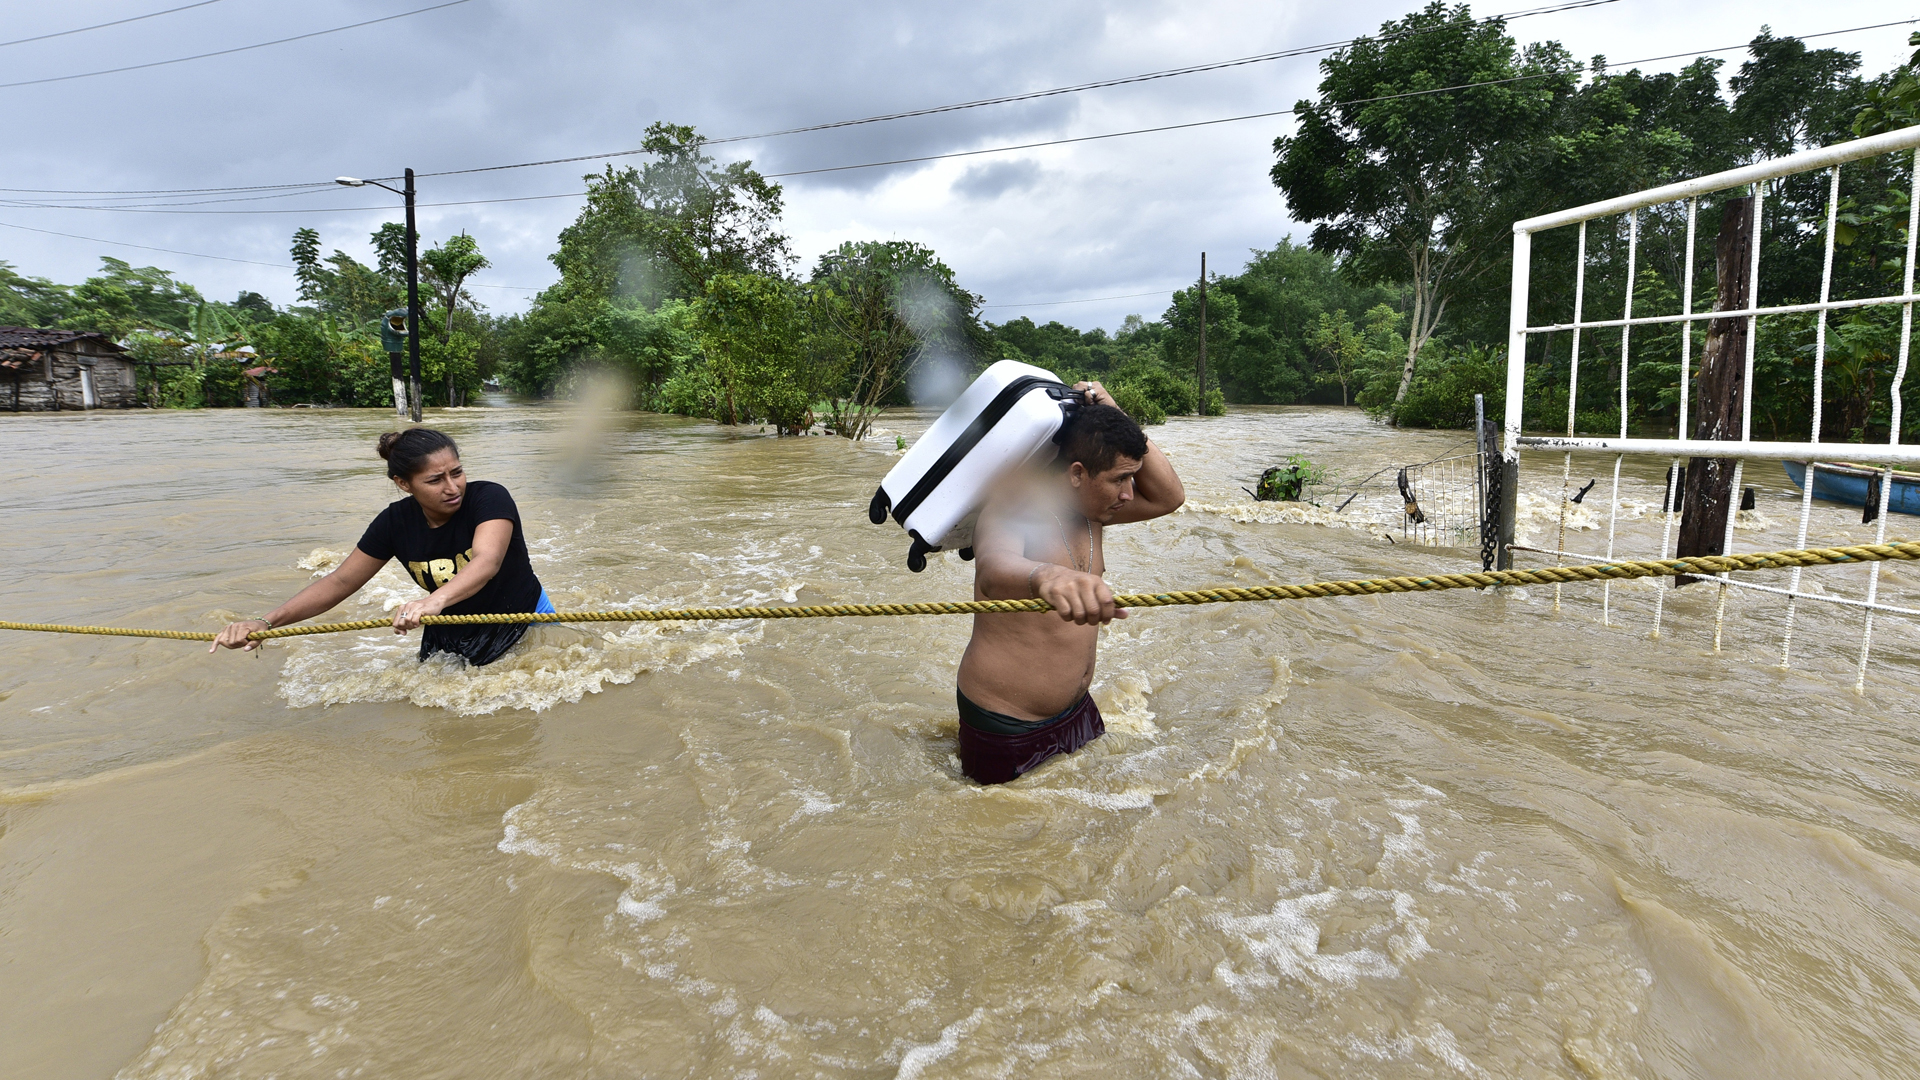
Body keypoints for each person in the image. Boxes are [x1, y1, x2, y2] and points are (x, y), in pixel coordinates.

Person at [955, 383, 1186, 784]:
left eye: (1133, 477)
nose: (1129, 494)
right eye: (1120, 479)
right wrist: (1047, 575)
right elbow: (992, 570)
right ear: (1077, 473)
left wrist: (1116, 413)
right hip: (1007, 722)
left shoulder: (1097, 509)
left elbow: (1170, 497)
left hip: (1076, 710)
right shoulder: (1017, 506)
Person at [211, 427, 554, 666]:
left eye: (457, 472)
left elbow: (487, 560)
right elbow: (340, 582)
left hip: (522, 617)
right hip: (450, 629)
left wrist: (432, 601)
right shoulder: (394, 523)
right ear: (404, 484)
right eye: (435, 480)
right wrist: (266, 621)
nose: (452, 488)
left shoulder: (489, 497)